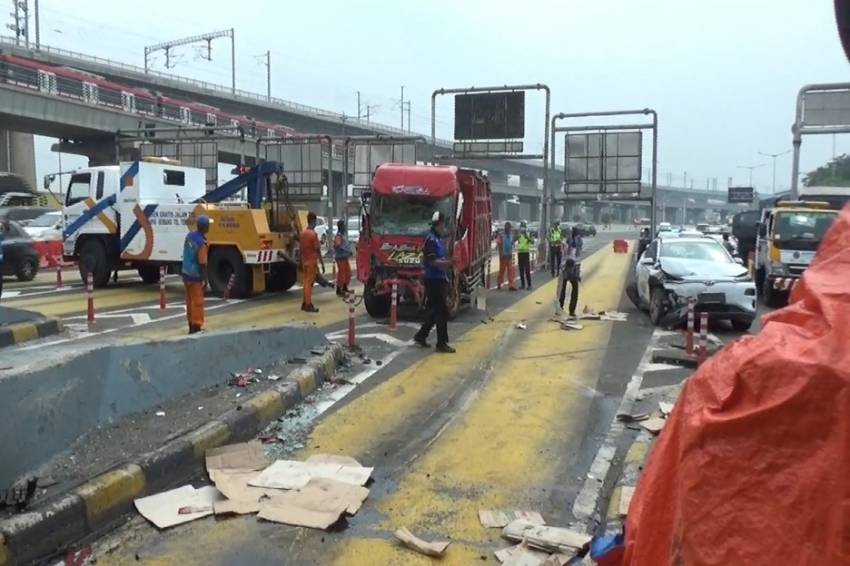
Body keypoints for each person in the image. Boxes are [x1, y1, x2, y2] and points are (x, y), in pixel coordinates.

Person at [413, 211, 455, 354]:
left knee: (435, 310)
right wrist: (448, 263)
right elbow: (433, 262)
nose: (444, 228)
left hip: (439, 279)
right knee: (442, 311)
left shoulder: (438, 239)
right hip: (433, 280)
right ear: (439, 224)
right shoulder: (431, 240)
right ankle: (441, 343)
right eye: (443, 225)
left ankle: (421, 335)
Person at [182, 214, 212, 334]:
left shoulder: (189, 236)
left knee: (189, 301)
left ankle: (190, 324)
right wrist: (205, 279)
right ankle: (197, 326)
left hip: (185, 273)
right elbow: (203, 263)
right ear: (206, 228)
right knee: (198, 302)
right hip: (195, 276)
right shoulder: (202, 243)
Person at [300, 212, 322, 312]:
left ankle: (304, 302)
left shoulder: (303, 234)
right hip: (312, 261)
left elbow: (301, 249)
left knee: (305, 282)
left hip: (305, 261)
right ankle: (308, 304)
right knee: (310, 283)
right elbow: (317, 249)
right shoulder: (313, 234)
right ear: (313, 221)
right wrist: (322, 263)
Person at [496, 221, 517, 291]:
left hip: (509, 255)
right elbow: (499, 245)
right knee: (502, 271)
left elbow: (511, 244)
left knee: (510, 271)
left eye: (509, 228)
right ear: (505, 228)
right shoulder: (501, 235)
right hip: (503, 256)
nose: (509, 229)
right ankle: (499, 282)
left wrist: (514, 240)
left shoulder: (511, 235)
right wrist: (501, 254)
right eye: (508, 228)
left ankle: (511, 285)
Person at [333, 220, 352, 296]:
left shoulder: (343, 235)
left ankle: (344, 287)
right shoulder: (339, 235)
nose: (345, 227)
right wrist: (347, 250)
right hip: (340, 257)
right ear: (341, 227)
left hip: (344, 257)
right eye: (343, 225)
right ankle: (339, 289)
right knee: (341, 274)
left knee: (348, 273)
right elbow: (337, 245)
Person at [516, 221, 534, 290]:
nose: (522, 228)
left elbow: (532, 242)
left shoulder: (528, 234)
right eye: (521, 227)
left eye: (523, 227)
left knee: (527, 270)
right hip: (520, 253)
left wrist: (527, 237)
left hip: (526, 253)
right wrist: (517, 235)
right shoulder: (519, 234)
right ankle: (522, 284)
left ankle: (529, 285)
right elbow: (515, 239)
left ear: (525, 227)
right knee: (521, 270)